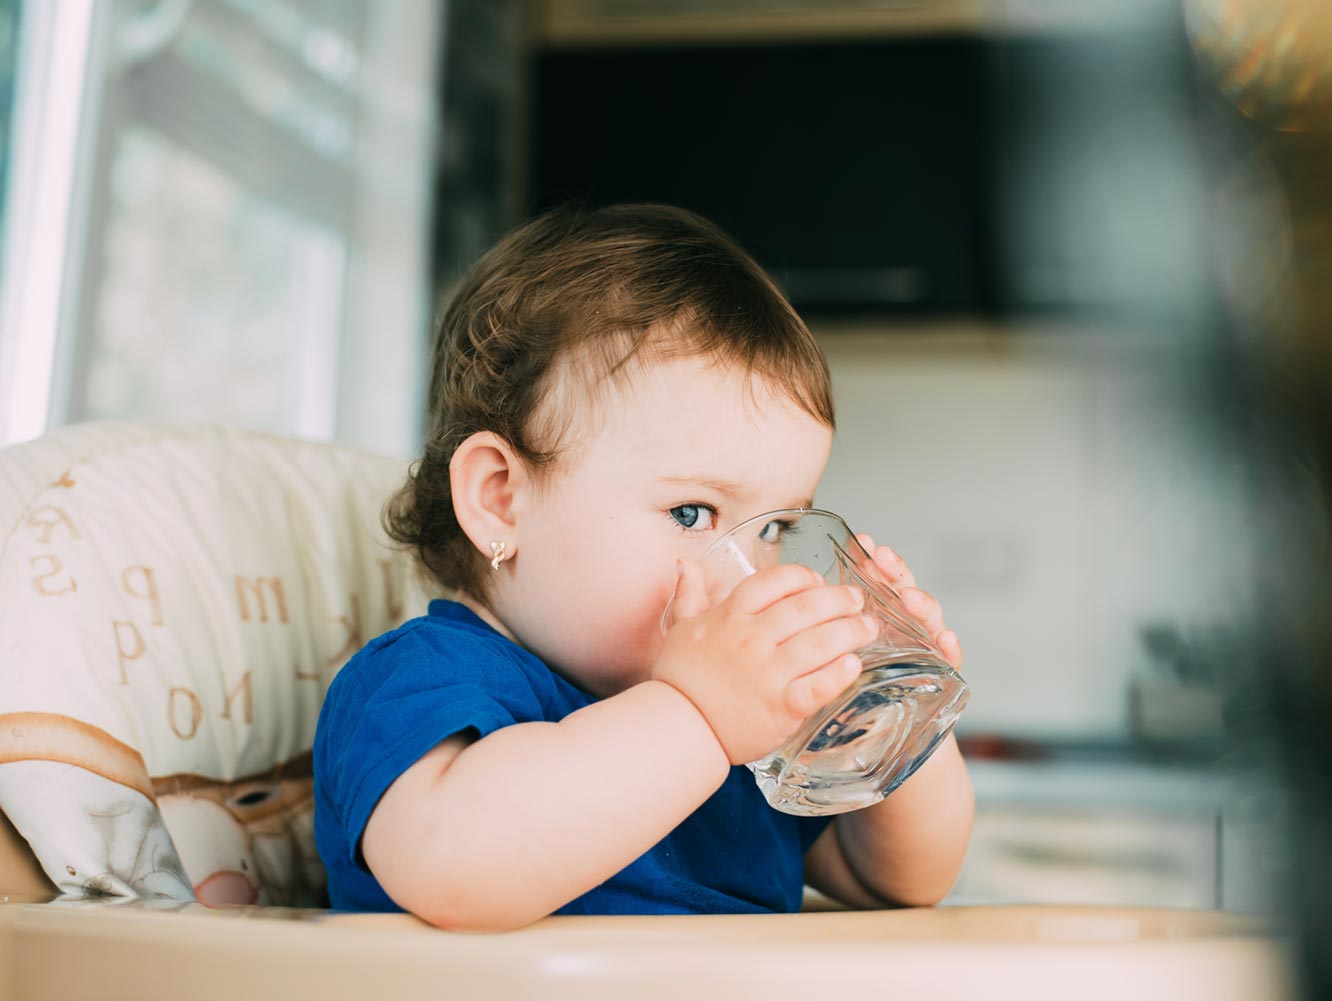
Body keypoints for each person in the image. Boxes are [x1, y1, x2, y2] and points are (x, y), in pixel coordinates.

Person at [313, 204, 974, 930]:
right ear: (501, 500)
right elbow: (456, 867)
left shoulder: (742, 732)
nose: (748, 576)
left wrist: (895, 726)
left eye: (778, 526)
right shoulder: (420, 682)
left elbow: (897, 881)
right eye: (691, 513)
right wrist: (699, 717)